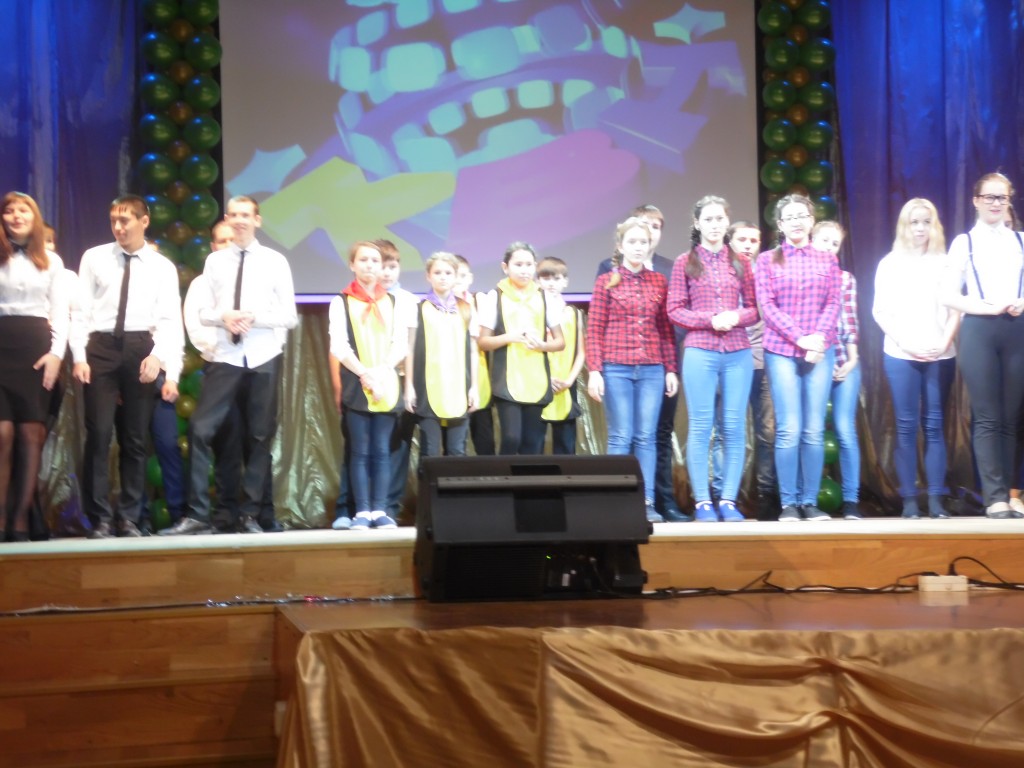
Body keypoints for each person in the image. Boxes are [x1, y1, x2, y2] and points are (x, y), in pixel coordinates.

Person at [162, 196, 297, 535]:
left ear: (257, 220)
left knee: (259, 436)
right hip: (226, 356)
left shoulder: (275, 261)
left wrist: (254, 318)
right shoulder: (215, 262)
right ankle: (197, 514)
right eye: (234, 215)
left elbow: (289, 316)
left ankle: (250, 515)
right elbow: (203, 313)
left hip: (263, 354)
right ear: (227, 218)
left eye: (246, 215)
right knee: (200, 429)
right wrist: (224, 317)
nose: (240, 220)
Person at [73, 194, 183, 538]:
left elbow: (169, 318)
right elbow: (81, 310)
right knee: (99, 433)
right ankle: (100, 518)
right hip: (101, 346)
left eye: (125, 220)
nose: (118, 227)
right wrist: (79, 356)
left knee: (135, 438)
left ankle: (130, 517)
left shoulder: (162, 267)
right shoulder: (94, 257)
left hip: (140, 347)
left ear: (144, 221)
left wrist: (158, 356)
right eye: (114, 221)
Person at [940, 172, 1024, 519]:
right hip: (979, 329)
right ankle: (994, 497)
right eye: (989, 197)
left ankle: (1009, 494)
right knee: (988, 416)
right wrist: (986, 307)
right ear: (976, 201)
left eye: (1002, 197)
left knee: (1010, 417)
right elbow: (947, 295)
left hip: (1017, 329)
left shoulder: (1020, 240)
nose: (995, 203)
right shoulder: (965, 242)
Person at [668, 196, 756, 522]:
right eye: (708, 219)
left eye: (720, 219)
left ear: (727, 222)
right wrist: (710, 319)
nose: (715, 225)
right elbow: (675, 309)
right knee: (701, 426)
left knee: (733, 426)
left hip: (737, 351)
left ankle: (728, 499)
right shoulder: (685, 262)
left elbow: (755, 308)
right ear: (697, 224)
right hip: (700, 349)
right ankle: (703, 502)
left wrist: (736, 316)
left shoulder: (741, 262)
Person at [597, 204, 688, 521]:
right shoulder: (606, 280)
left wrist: (671, 369)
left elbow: (666, 329)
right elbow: (595, 329)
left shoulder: (659, 281)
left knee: (646, 436)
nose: (638, 247)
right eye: (632, 242)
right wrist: (595, 370)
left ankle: (646, 502)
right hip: (616, 367)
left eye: (643, 242)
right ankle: (616, 503)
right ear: (621, 245)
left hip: (652, 368)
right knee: (621, 435)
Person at [756, 194, 841, 522]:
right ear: (780, 224)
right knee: (789, 428)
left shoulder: (827, 260)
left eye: (801, 216)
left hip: (820, 350)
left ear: (811, 220)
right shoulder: (767, 260)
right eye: (789, 217)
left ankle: (809, 501)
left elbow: (833, 303)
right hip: (782, 350)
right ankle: (789, 503)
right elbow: (767, 306)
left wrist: (818, 338)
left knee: (814, 429)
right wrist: (800, 337)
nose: (796, 222)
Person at [873, 198, 958, 520]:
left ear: (934, 225)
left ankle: (936, 500)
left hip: (940, 354)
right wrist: (905, 343)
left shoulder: (946, 263)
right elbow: (880, 311)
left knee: (934, 425)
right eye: (914, 222)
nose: (920, 228)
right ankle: (909, 500)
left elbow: (956, 310)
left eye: (926, 222)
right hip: (901, 353)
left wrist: (943, 343)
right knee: (906, 426)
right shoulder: (890, 263)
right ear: (904, 226)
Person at [0, 192, 69, 542]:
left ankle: (20, 521)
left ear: (35, 216)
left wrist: (56, 355)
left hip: (36, 348)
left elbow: (60, 313)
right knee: (2, 434)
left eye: (23, 209)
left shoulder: (51, 261)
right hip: (1, 344)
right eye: (9, 210)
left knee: (30, 434)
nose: (16, 215)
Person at [329, 241, 407, 529]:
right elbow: (339, 345)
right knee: (360, 451)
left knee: (382, 451)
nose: (370, 265)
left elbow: (401, 343)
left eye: (375, 260)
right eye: (363, 260)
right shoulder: (341, 301)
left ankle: (380, 510)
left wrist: (382, 372)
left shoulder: (393, 302)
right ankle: (362, 511)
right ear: (352, 265)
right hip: (357, 382)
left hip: (385, 382)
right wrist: (365, 374)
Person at [711, 221, 779, 519]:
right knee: (725, 430)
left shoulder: (767, 272)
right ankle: (722, 496)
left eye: (754, 240)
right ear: (730, 241)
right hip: (728, 360)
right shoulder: (719, 273)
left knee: (767, 432)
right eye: (742, 239)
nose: (749, 245)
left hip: (763, 361)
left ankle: (766, 495)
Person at [478, 242, 565, 455]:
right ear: (505, 267)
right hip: (507, 380)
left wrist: (543, 345)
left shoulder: (544, 297)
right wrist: (510, 337)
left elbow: (560, 342)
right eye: (518, 264)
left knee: (532, 443)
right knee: (511, 437)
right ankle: (503, 475)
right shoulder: (495, 297)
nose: (524, 270)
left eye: (529, 265)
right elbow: (483, 341)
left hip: (536, 379)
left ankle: (527, 478)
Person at [810, 221, 864, 520]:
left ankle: (852, 499)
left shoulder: (845, 279)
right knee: (812, 429)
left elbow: (850, 321)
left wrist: (852, 359)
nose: (829, 248)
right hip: (815, 359)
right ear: (812, 241)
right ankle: (807, 498)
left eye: (835, 244)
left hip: (844, 357)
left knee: (845, 429)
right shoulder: (803, 276)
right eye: (824, 241)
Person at [404, 251, 478, 457]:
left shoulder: (466, 309)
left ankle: (455, 482)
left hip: (459, 387)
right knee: (430, 451)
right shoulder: (418, 309)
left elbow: (473, 350)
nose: (443, 277)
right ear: (428, 276)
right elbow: (410, 348)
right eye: (437, 272)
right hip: (428, 387)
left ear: (455, 276)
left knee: (457, 450)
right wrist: (409, 386)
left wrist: (474, 387)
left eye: (448, 273)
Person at [538, 257, 585, 455]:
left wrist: (569, 381)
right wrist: (544, 379)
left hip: (565, 386)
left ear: (565, 281)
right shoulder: (533, 311)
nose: (551, 284)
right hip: (538, 385)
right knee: (534, 448)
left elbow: (581, 352)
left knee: (565, 447)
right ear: (538, 281)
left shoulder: (573, 313)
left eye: (556, 279)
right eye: (546, 278)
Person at [454, 254, 496, 456]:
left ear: (470, 278)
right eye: (454, 275)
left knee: (484, 440)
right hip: (449, 381)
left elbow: (485, 338)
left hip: (479, 379)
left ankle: (489, 476)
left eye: (462, 275)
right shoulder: (434, 306)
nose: (457, 280)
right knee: (454, 443)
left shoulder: (480, 302)